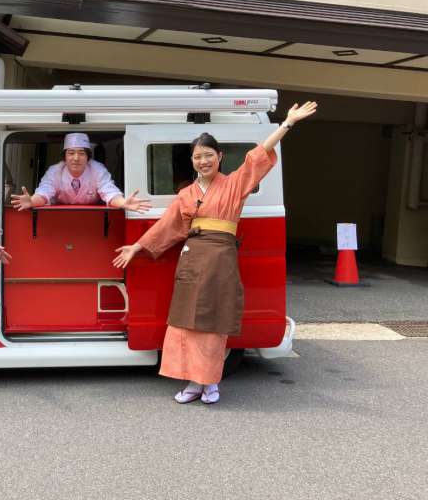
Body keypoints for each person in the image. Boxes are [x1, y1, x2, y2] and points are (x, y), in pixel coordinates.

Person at [113, 102, 318, 405]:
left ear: (219, 157)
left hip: (220, 260)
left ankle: (209, 383)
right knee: (185, 322)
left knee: (212, 324)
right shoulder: (186, 195)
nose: (203, 161)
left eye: (209, 155)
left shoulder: (235, 185)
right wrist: (138, 246)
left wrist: (286, 124)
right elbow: (168, 226)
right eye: (198, 156)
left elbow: (256, 158)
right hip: (191, 259)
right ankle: (192, 383)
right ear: (192, 161)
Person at [10, 133, 152, 212]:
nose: (76, 158)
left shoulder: (97, 169)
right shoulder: (55, 171)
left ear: (88, 157)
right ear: (64, 157)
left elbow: (109, 191)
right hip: (57, 221)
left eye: (81, 153)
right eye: (71, 153)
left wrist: (123, 202)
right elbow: (44, 192)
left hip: (91, 222)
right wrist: (31, 201)